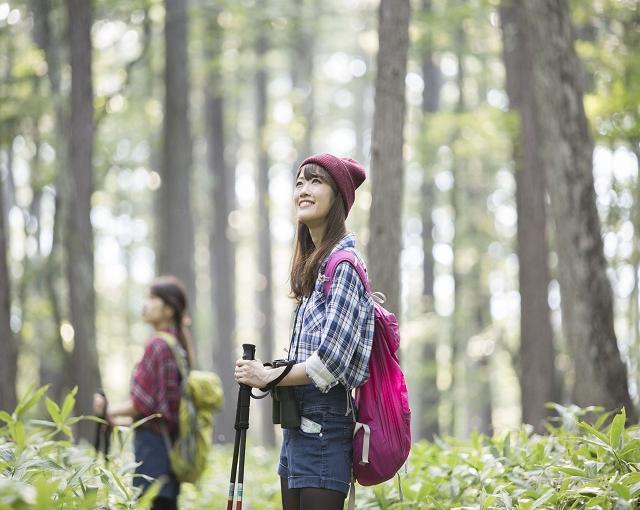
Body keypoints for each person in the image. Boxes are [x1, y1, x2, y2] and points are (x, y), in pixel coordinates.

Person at [235, 154, 375, 510]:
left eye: (315, 181)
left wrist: (267, 376)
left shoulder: (344, 266)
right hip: (298, 429)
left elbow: (330, 363)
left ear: (338, 196)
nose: (304, 190)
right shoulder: (318, 271)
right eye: (299, 182)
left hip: (326, 429)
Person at [93, 275, 196, 510]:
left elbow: (143, 406)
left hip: (152, 454)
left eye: (152, 298)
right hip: (170, 450)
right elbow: (156, 413)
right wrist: (116, 418)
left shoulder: (157, 346)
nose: (145, 304)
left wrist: (106, 409)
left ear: (169, 309)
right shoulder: (176, 345)